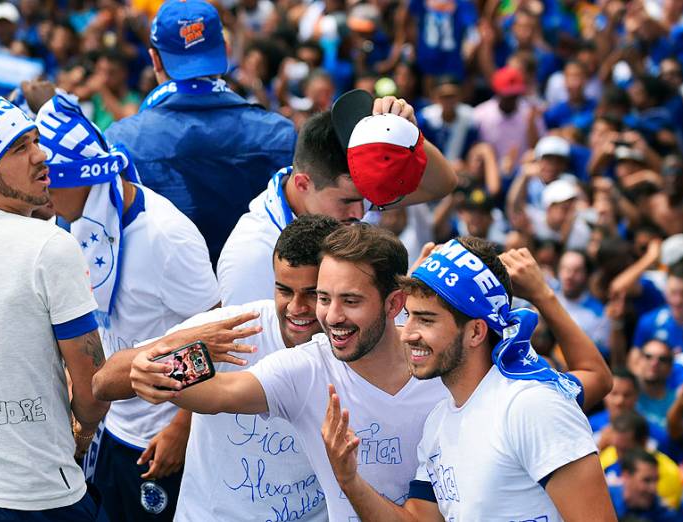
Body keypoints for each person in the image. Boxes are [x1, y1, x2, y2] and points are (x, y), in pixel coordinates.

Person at [131, 227, 610, 519]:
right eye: (324, 298)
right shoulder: (439, 423)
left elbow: (594, 379)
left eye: (351, 301)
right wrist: (168, 356)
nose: (329, 316)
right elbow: (219, 392)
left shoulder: (526, 403)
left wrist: (544, 297)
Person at [320, 238, 615, 520]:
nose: (407, 334)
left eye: (425, 319)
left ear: (475, 332)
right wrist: (349, 480)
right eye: (408, 315)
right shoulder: (438, 422)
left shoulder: (532, 407)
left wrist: (544, 296)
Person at [31, 87, 220, 520]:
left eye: (47, 182)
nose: (42, 196)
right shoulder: (73, 222)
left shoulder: (166, 236)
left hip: (160, 436)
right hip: (110, 425)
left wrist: (183, 427)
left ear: (76, 177)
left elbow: (215, 339)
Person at [94, 214, 343, 521]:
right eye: (284, 291)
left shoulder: (356, 348)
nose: (295, 308)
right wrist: (173, 352)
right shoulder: (235, 334)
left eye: (312, 294)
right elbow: (104, 383)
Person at [0, 98, 108, 519]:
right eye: (17, 148)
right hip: (32, 494)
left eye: (37, 141)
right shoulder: (48, 246)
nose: (41, 155)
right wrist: (81, 434)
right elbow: (94, 386)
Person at [217, 92, 457, 307]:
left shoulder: (347, 195)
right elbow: (249, 350)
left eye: (366, 198)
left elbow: (442, 183)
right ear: (303, 184)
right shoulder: (252, 255)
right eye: (347, 201)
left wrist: (407, 135)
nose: (360, 213)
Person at [105, 0, 297, 264]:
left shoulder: (121, 139)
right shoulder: (280, 133)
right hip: (260, 296)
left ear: (154, 59)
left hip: (166, 300)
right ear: (226, 51)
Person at [608, 449, 681, 522]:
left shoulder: (664, 515)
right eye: (647, 480)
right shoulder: (606, 500)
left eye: (656, 480)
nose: (653, 488)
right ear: (626, 477)